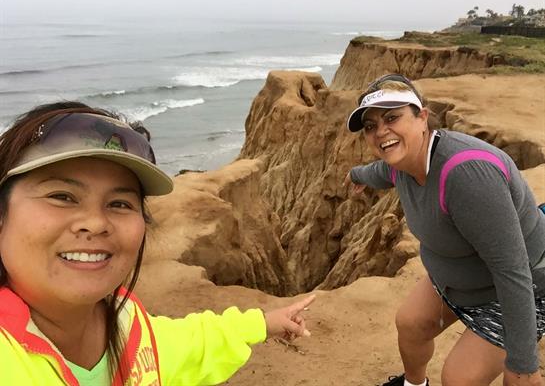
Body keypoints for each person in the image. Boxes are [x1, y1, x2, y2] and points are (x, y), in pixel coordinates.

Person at [0, 102, 315, 386]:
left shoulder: (126, 322)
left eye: (120, 203)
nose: (95, 223)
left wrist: (261, 323)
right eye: (62, 197)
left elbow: (187, 343)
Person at [343, 74, 545, 386]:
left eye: (392, 117)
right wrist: (357, 175)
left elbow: (512, 271)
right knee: (410, 325)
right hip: (458, 279)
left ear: (422, 118)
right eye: (370, 126)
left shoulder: (466, 175)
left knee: (459, 378)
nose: (381, 131)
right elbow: (381, 172)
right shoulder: (402, 165)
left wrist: (523, 365)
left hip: (522, 287)